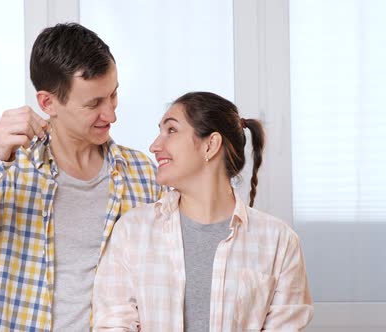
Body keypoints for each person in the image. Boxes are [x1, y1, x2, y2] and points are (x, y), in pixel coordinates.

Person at [0, 23, 162, 331]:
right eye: (94, 104)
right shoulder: (6, 173)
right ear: (47, 103)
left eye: (113, 95)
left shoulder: (142, 174)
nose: (111, 114)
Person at [92, 91, 314, 331]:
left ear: (211, 145)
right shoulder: (132, 231)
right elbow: (113, 323)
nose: (155, 146)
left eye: (172, 130)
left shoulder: (279, 242)